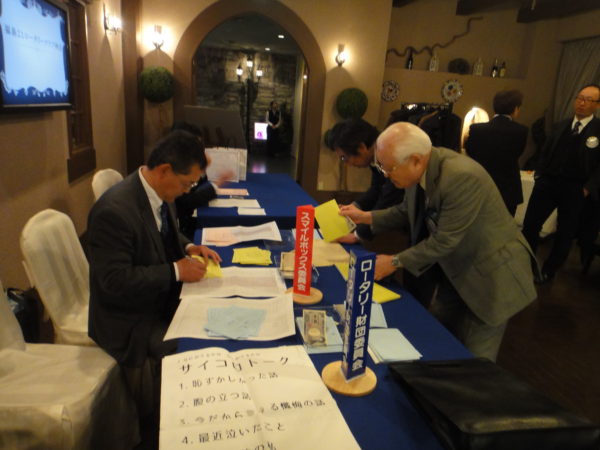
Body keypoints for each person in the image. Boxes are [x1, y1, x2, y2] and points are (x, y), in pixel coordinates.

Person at [340, 122, 536, 361]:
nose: (385, 175)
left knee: (476, 359)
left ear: (415, 160)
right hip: (456, 269)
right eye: (381, 167)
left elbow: (444, 240)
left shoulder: (461, 176)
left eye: (388, 168)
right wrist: (365, 217)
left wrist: (394, 262)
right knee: (438, 337)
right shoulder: (421, 168)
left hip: (490, 276)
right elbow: (405, 210)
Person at [87, 130, 222, 420]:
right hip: (130, 318)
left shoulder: (158, 191)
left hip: (158, 297)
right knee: (198, 349)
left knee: (212, 316)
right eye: (187, 184)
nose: (188, 191)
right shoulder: (114, 211)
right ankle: (167, 421)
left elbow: (165, 233)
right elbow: (114, 281)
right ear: (164, 170)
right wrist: (176, 270)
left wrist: (189, 246)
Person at [522, 84, 600, 283]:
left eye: (588, 100)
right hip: (548, 183)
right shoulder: (561, 125)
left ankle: (549, 270)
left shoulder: (597, 130)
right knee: (530, 224)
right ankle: (527, 264)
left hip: (576, 188)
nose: (582, 103)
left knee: (565, 232)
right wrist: (540, 174)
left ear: (597, 105)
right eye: (580, 98)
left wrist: (587, 188)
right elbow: (545, 151)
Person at [328, 118, 404, 243]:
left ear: (362, 147)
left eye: (344, 158)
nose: (347, 164)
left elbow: (388, 198)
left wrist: (358, 235)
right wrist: (354, 206)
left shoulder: (390, 155)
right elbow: (376, 189)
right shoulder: (375, 154)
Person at [465, 90, 528, 216]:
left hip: (480, 185)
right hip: (507, 188)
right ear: (515, 109)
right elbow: (517, 153)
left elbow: (470, 152)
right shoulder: (521, 131)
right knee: (504, 223)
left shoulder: (476, 129)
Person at [171, 121, 233, 239]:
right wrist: (216, 184)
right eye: (196, 148)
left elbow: (195, 186)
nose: (200, 151)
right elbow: (186, 202)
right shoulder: (173, 170)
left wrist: (203, 171)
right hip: (183, 228)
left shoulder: (185, 164)